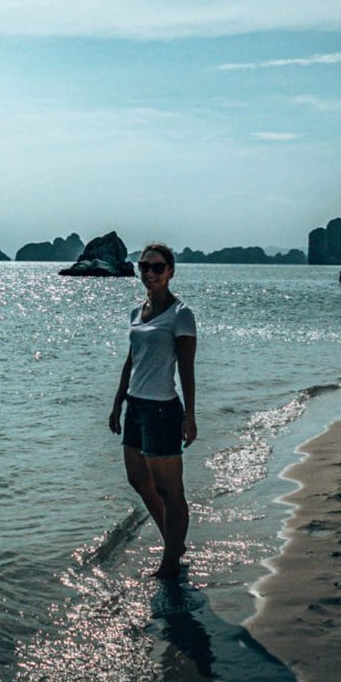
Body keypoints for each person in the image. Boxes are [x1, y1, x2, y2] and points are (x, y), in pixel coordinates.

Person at [108, 243, 197, 579]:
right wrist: (118, 402)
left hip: (163, 410)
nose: (149, 273)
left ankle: (170, 561)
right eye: (144, 266)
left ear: (170, 271)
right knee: (138, 479)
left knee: (170, 491)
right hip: (135, 407)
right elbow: (131, 361)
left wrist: (190, 415)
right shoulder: (137, 312)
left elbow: (187, 370)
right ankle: (174, 542)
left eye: (157, 268)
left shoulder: (180, 314)